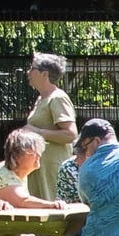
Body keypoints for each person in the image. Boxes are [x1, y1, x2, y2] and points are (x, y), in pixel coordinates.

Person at [20, 53, 77, 200]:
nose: (28, 72)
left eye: (32, 68)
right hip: (40, 167)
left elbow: (70, 134)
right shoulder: (41, 99)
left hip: (53, 168)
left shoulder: (57, 97)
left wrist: (36, 132)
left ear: (44, 74)